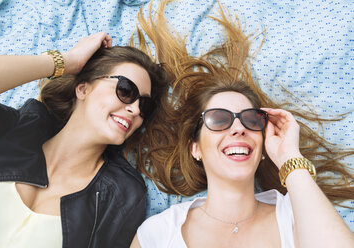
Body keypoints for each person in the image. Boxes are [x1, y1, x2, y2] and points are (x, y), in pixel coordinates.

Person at [129, 1, 354, 247]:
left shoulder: (299, 216)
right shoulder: (158, 233)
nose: (239, 128)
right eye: (219, 119)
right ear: (196, 148)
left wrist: (289, 157)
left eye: (250, 119)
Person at [0, 32, 169, 247]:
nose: (135, 109)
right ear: (83, 88)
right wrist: (67, 61)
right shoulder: (15, 129)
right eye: (126, 90)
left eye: (145, 106)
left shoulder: (120, 196)